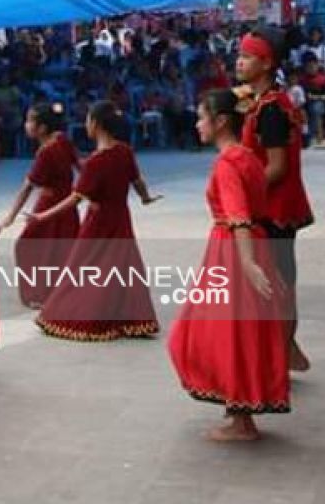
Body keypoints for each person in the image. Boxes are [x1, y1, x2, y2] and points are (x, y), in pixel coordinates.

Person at [168, 89, 289, 443]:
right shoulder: (249, 157)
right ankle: (241, 411)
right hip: (251, 245)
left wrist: (248, 263)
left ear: (221, 121)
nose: (197, 123)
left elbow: (237, 216)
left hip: (233, 251)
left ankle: (241, 419)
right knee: (241, 330)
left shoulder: (227, 164)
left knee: (217, 332)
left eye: (202, 116)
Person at [34, 102, 162, 341]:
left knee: (84, 267)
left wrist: (44, 214)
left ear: (95, 124)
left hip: (99, 221)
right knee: (123, 265)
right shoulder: (124, 151)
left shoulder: (96, 162)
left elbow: (75, 199)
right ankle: (131, 318)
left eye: (88, 120)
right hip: (121, 217)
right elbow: (138, 181)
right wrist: (145, 199)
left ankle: (84, 316)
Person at [236, 26, 314, 372]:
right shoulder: (267, 102)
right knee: (280, 280)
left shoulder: (270, 109)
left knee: (278, 283)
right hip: (276, 208)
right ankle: (287, 349)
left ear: (266, 63)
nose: (239, 61)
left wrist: (244, 191)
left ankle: (282, 354)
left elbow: (278, 167)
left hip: (276, 209)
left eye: (247, 56)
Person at [0, 101, 82, 308]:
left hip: (48, 203)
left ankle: (38, 294)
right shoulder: (62, 140)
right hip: (67, 204)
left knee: (27, 245)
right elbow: (80, 166)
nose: (26, 125)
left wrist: (11, 215)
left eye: (29, 121)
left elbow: (27, 187)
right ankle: (62, 292)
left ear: (42, 127)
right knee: (62, 249)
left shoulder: (46, 152)